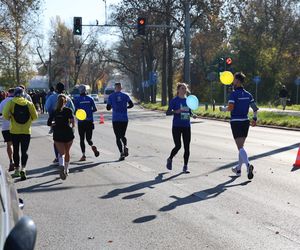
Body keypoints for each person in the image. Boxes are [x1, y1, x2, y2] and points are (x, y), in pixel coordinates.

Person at [220, 72, 258, 179]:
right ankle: (238, 169)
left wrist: (223, 109)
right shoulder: (248, 94)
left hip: (236, 122)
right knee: (241, 147)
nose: (232, 81)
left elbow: (231, 107)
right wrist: (255, 119)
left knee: (240, 147)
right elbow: (255, 109)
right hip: (245, 122)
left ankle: (248, 165)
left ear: (237, 81)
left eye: (234, 79)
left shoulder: (234, 94)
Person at [3, 87, 38, 180]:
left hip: (14, 131)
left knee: (16, 150)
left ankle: (17, 170)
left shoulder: (11, 103)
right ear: (23, 94)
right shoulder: (29, 103)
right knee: (24, 151)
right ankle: (24, 168)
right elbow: (35, 117)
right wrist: (29, 120)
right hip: (26, 131)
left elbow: (5, 115)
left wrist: (11, 117)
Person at [166, 82, 196, 174]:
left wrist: (193, 115)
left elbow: (189, 111)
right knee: (178, 146)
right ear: (178, 90)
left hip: (186, 126)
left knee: (187, 147)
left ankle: (185, 166)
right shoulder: (174, 101)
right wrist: (176, 111)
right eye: (182, 88)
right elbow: (168, 112)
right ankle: (170, 158)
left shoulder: (188, 101)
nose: (184, 90)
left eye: (185, 88)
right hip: (177, 126)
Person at [45, 82, 75, 164]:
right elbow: (73, 109)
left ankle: (58, 156)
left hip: (56, 121)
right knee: (66, 140)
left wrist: (54, 114)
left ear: (56, 89)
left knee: (57, 140)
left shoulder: (51, 97)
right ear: (63, 89)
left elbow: (47, 107)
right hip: (66, 122)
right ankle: (64, 158)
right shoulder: (67, 98)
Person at [106, 82, 134, 161]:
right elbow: (131, 105)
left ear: (115, 88)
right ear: (121, 88)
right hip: (124, 119)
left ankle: (121, 153)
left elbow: (108, 108)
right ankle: (125, 146)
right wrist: (125, 108)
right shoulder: (125, 96)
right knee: (123, 135)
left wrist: (112, 106)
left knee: (118, 137)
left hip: (116, 119)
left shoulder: (111, 96)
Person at [50, 94, 75, 180]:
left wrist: (54, 124)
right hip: (68, 133)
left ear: (57, 101)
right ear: (66, 102)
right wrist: (73, 127)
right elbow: (72, 121)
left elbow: (49, 122)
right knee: (67, 151)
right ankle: (66, 169)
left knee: (61, 153)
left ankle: (61, 165)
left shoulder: (54, 111)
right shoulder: (69, 110)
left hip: (57, 133)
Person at [74, 84, 99, 161]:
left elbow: (75, 111)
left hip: (81, 122)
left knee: (82, 139)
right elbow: (95, 109)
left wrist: (80, 114)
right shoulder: (90, 98)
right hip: (89, 121)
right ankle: (92, 145)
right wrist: (89, 112)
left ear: (80, 91)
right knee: (89, 139)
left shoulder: (77, 99)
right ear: (86, 90)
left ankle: (83, 155)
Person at [0, 88, 15, 171]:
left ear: (8, 93)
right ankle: (17, 163)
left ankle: (11, 161)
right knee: (16, 145)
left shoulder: (3, 102)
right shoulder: (18, 101)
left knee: (9, 145)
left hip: (5, 127)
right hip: (16, 127)